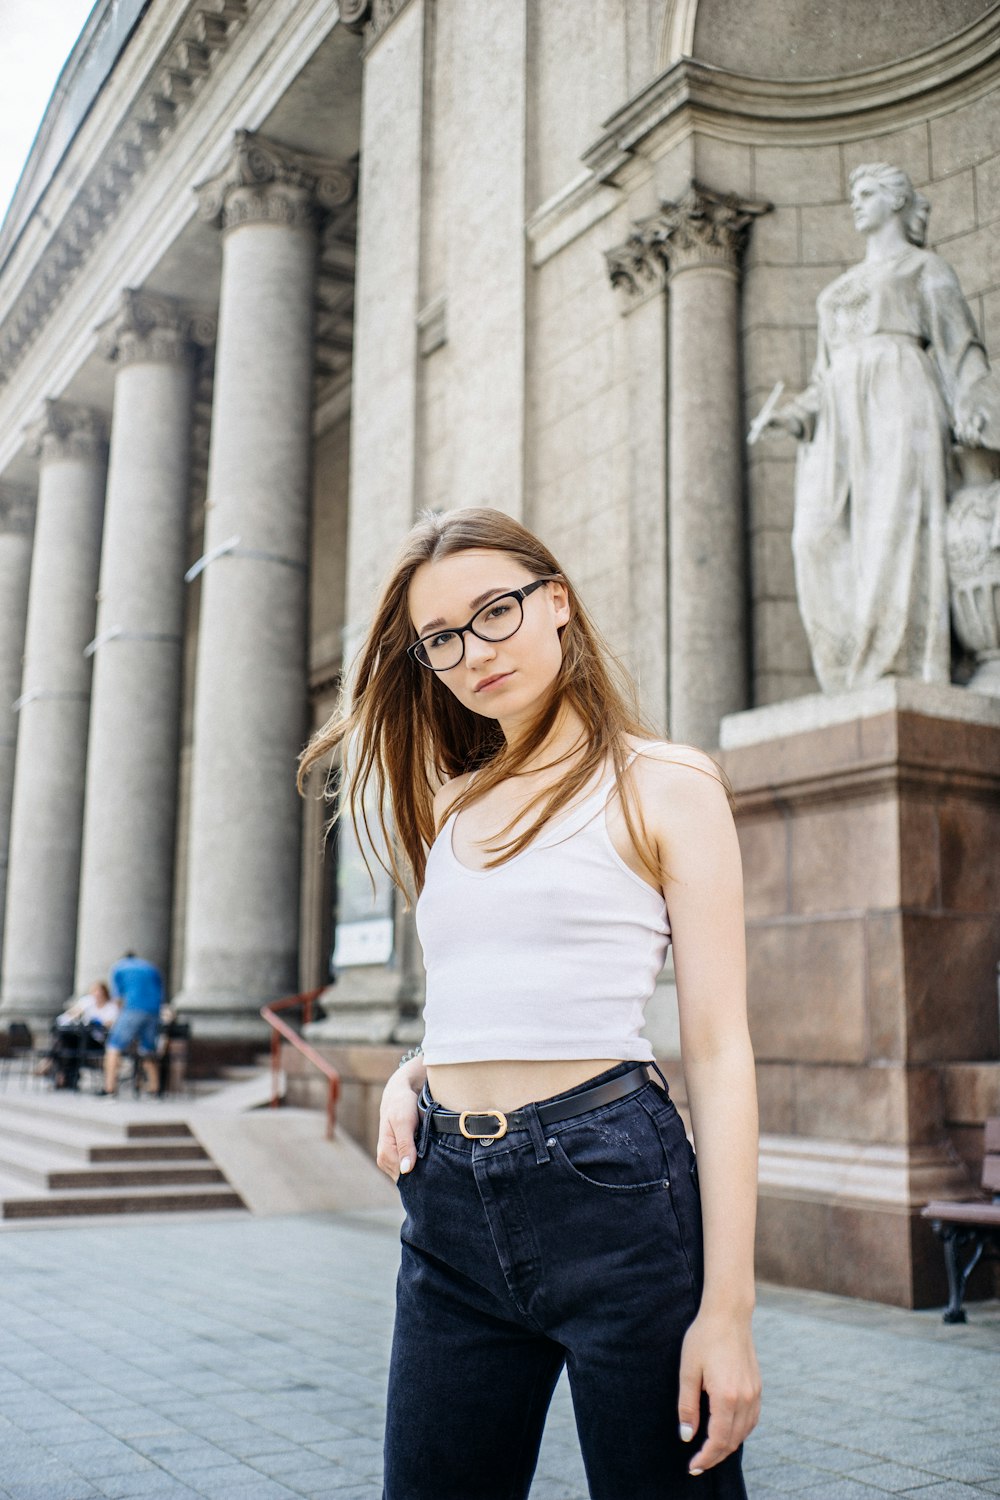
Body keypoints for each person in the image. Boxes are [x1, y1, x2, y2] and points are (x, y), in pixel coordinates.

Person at [299, 508, 760, 1500]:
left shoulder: (668, 785)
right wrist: (421, 1072)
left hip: (612, 1189)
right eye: (441, 639)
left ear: (556, 602)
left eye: (494, 611)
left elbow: (720, 1050)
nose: (474, 652)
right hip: (447, 1207)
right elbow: (496, 985)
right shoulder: (452, 801)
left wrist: (728, 1310)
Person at [768, 161, 996, 693]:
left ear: (896, 201)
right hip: (838, 423)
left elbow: (960, 349)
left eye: (867, 191)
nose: (856, 201)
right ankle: (846, 672)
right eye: (853, 193)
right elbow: (823, 376)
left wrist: (975, 409)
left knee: (893, 528)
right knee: (814, 537)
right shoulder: (839, 287)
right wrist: (797, 413)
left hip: (900, 400)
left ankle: (895, 664)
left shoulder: (925, 269)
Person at [101, 952, 163, 1097]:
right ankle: (155, 1089)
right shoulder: (151, 967)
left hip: (132, 1009)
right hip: (153, 1010)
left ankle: (109, 1088)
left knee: (113, 1047)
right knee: (148, 1049)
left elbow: (117, 998)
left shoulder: (119, 967)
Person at [40, 982, 120, 1089]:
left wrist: (98, 1022)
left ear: (105, 993)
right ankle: (65, 1077)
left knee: (67, 1044)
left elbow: (111, 1024)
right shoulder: (88, 1003)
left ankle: (50, 1064)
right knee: (65, 1040)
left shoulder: (111, 1007)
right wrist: (76, 1013)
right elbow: (66, 1017)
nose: (96, 995)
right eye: (94, 992)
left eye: (99, 992)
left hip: (98, 1041)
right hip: (81, 1039)